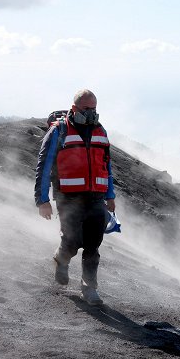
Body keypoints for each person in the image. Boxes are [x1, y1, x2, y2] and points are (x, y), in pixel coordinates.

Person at [34, 89, 116, 305]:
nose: (91, 113)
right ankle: (62, 258)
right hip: (68, 197)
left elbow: (106, 165)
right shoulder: (59, 131)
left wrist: (110, 194)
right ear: (74, 108)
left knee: (93, 245)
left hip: (96, 198)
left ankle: (90, 289)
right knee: (72, 240)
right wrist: (42, 200)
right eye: (86, 109)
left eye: (94, 109)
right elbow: (44, 166)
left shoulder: (101, 131)